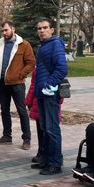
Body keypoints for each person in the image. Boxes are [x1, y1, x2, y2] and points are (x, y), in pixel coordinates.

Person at [31, 18, 68, 175]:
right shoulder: (43, 46)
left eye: (45, 27)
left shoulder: (55, 43)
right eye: (39, 28)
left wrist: (48, 84)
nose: (42, 30)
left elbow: (62, 68)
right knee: (45, 128)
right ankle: (46, 160)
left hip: (50, 94)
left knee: (52, 129)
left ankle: (55, 163)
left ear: (52, 30)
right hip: (41, 94)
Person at [0, 21, 35, 149]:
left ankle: (26, 138)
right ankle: (7, 136)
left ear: (13, 29)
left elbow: (31, 63)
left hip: (17, 83)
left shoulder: (23, 44)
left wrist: (20, 75)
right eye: (3, 31)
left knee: (21, 110)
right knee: (4, 109)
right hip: (2, 82)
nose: (4, 33)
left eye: (6, 30)